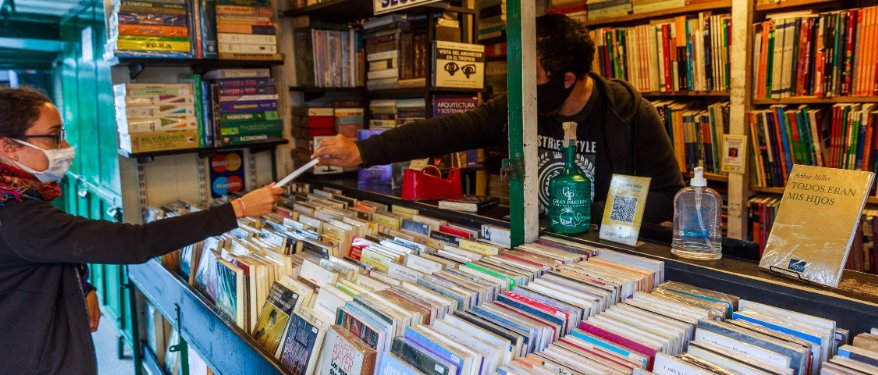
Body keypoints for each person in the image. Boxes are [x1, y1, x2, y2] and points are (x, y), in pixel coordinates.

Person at [0, 87, 284, 374]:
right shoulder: (19, 219)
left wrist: (83, 286)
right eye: (53, 136)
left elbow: (54, 248)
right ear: (8, 147)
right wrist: (237, 209)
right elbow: (135, 243)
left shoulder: (16, 200)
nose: (65, 145)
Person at [314, 14, 685, 224]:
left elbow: (669, 197)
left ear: (567, 79)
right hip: (531, 245)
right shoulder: (518, 105)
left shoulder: (629, 114)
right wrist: (363, 151)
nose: (518, 85)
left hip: (601, 254)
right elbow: (447, 131)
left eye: (530, 76)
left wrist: (587, 210)